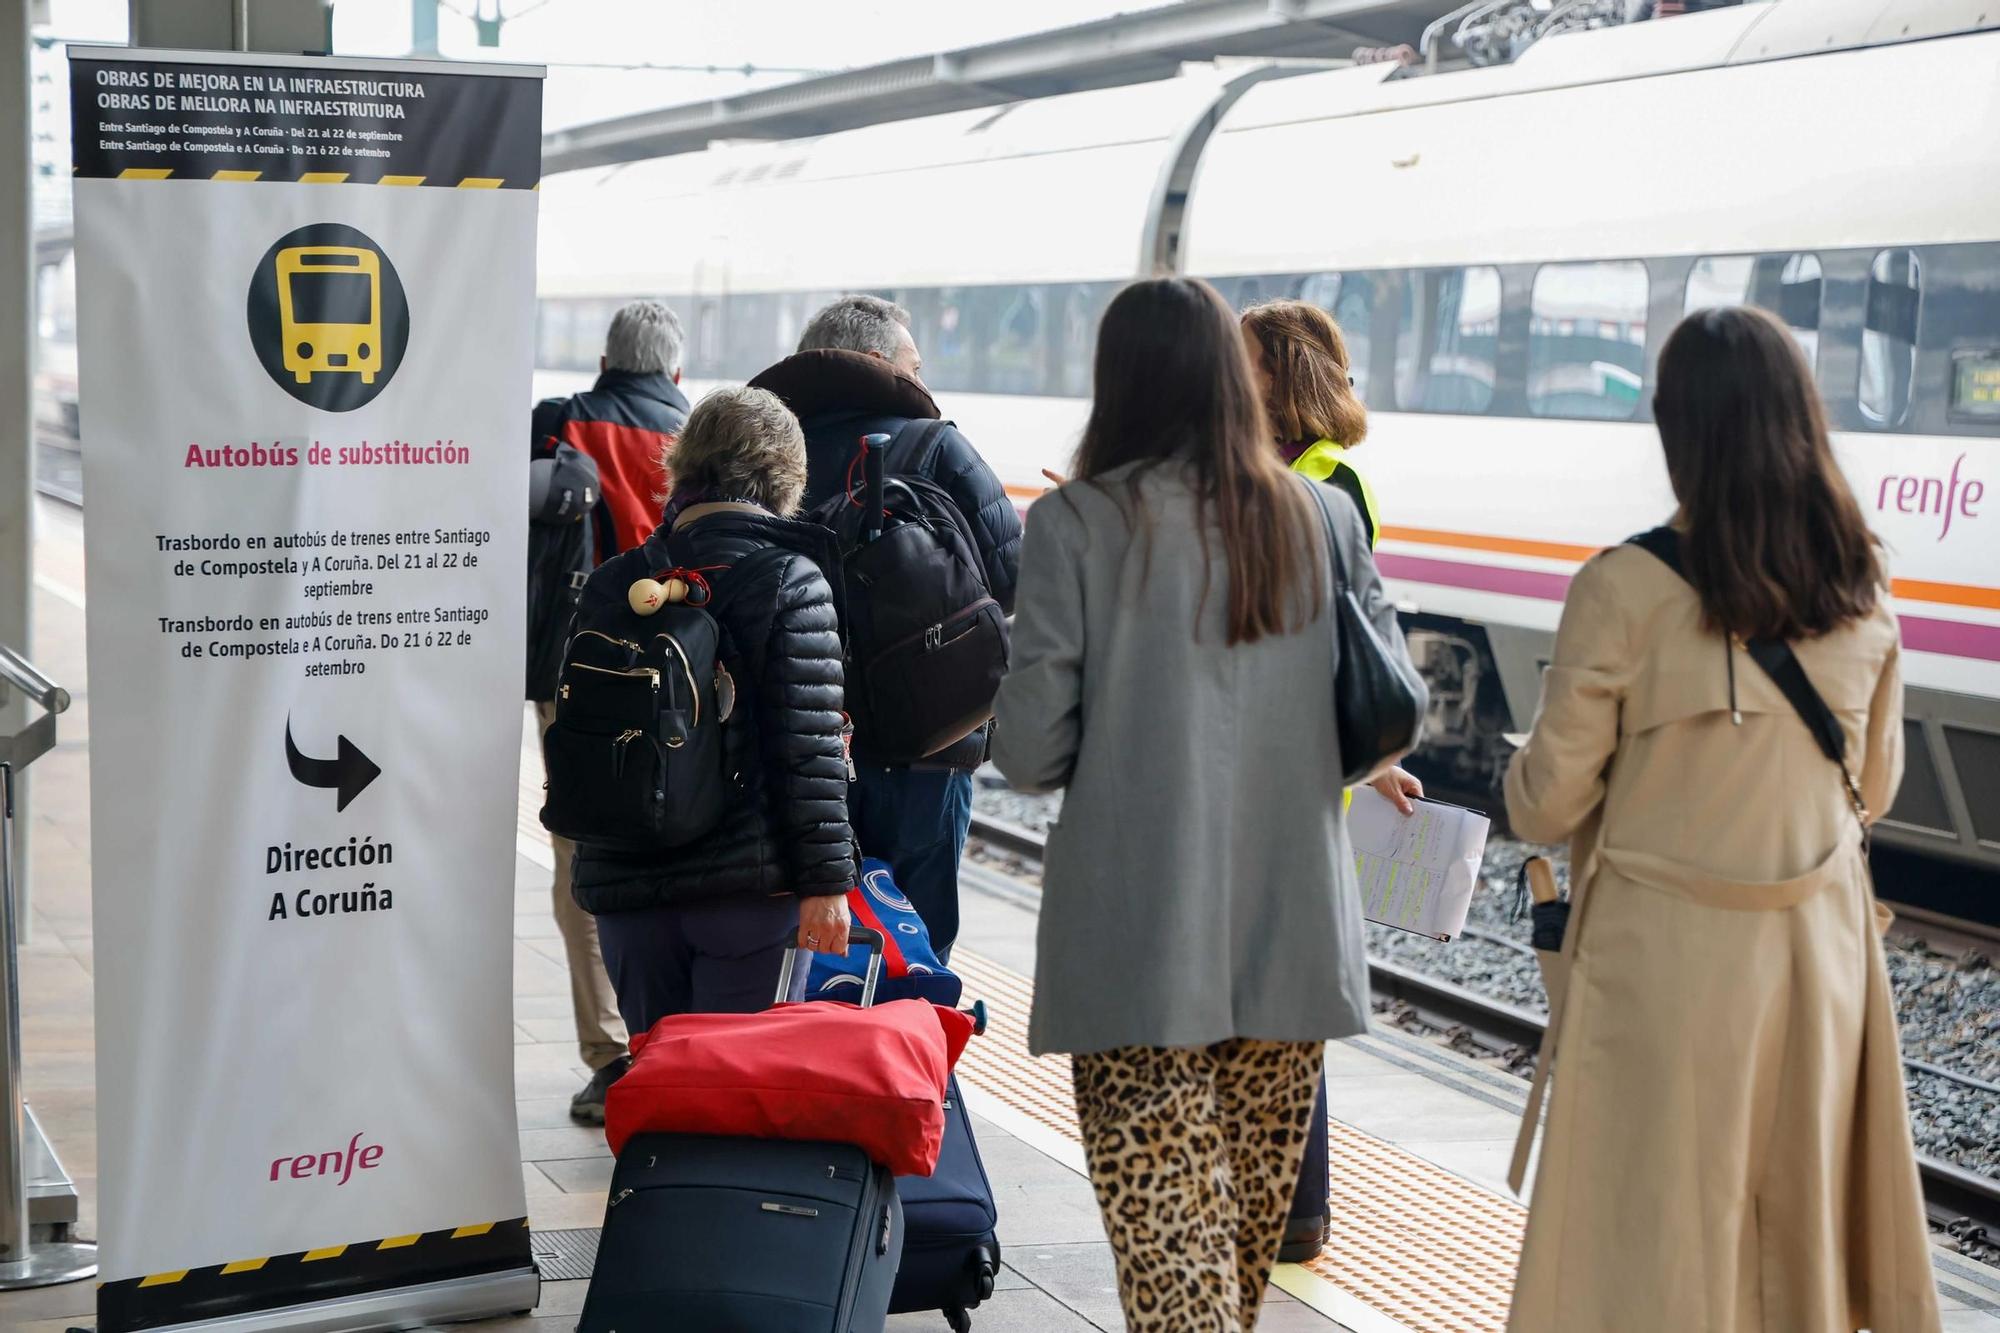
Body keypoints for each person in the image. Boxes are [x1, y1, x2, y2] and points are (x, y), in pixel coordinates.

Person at [1503, 306, 1940, 1332]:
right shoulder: (1862, 592)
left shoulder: (1620, 587)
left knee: (1651, 1235)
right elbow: (1871, 792)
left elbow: (1544, 802)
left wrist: (1525, 765)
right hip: (1817, 959)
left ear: (1677, 431)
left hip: (1664, 967)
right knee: (1793, 1227)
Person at [993, 277, 1411, 1332]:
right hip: (1289, 932)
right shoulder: (1318, 513)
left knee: (1169, 1257)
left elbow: (1030, 753)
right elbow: (1387, 709)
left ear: (1115, 379)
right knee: (1230, 1268)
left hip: (1134, 938)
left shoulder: (1077, 524)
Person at [570, 386, 854, 1038]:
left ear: (684, 464)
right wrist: (827, 882)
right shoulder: (791, 579)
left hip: (627, 890)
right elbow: (808, 748)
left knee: (658, 1088)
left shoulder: (619, 580)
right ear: (786, 476)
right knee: (727, 1095)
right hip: (746, 898)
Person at [749, 295, 1022, 960]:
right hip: (924, 751)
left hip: (796, 749)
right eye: (915, 364)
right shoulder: (936, 445)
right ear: (878, 363)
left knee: (808, 954)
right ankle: (907, 1064)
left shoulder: (761, 452)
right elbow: (1013, 578)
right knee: (917, 952)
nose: (922, 381)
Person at [1241, 295, 1420, 1263]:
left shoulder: (1327, 482)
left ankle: (1296, 1211)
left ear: (1281, 374)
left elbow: (1336, 642)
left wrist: (1377, 756)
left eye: (1244, 363)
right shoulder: (1270, 473)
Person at [530, 299, 693, 1123]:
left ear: (605, 356)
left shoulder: (560, 425)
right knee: (678, 840)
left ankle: (612, 1052)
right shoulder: (702, 435)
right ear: (674, 369)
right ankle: (677, 1038)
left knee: (580, 856)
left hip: (576, 678)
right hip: (685, 680)